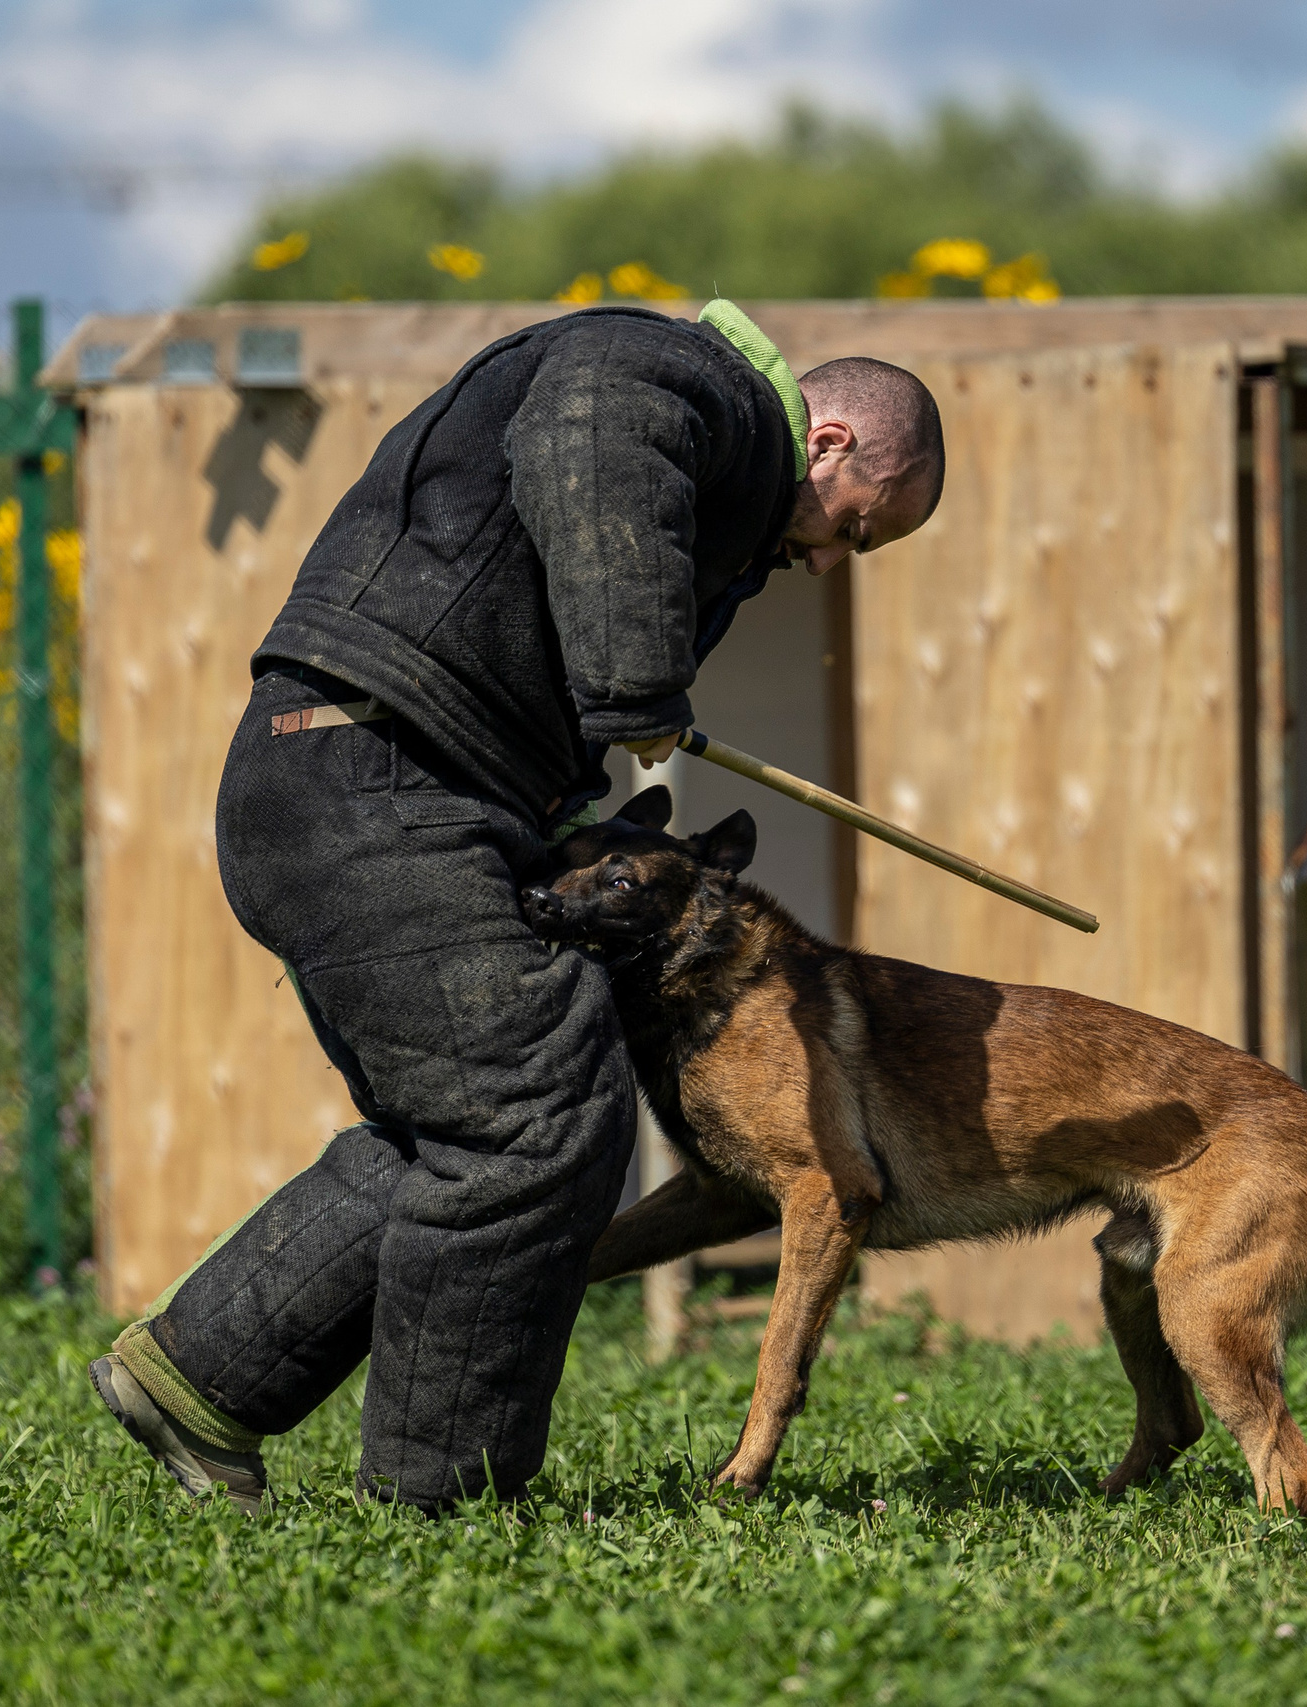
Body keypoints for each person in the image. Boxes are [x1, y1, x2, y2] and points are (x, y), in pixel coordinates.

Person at [86, 299, 945, 1515]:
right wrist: (638, 676)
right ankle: (439, 1504)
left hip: (373, 780)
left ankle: (200, 1379)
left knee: (473, 1121)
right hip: (367, 776)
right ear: (833, 443)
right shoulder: (670, 372)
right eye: (854, 533)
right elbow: (594, 424)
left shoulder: (722, 467)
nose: (823, 562)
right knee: (535, 1112)